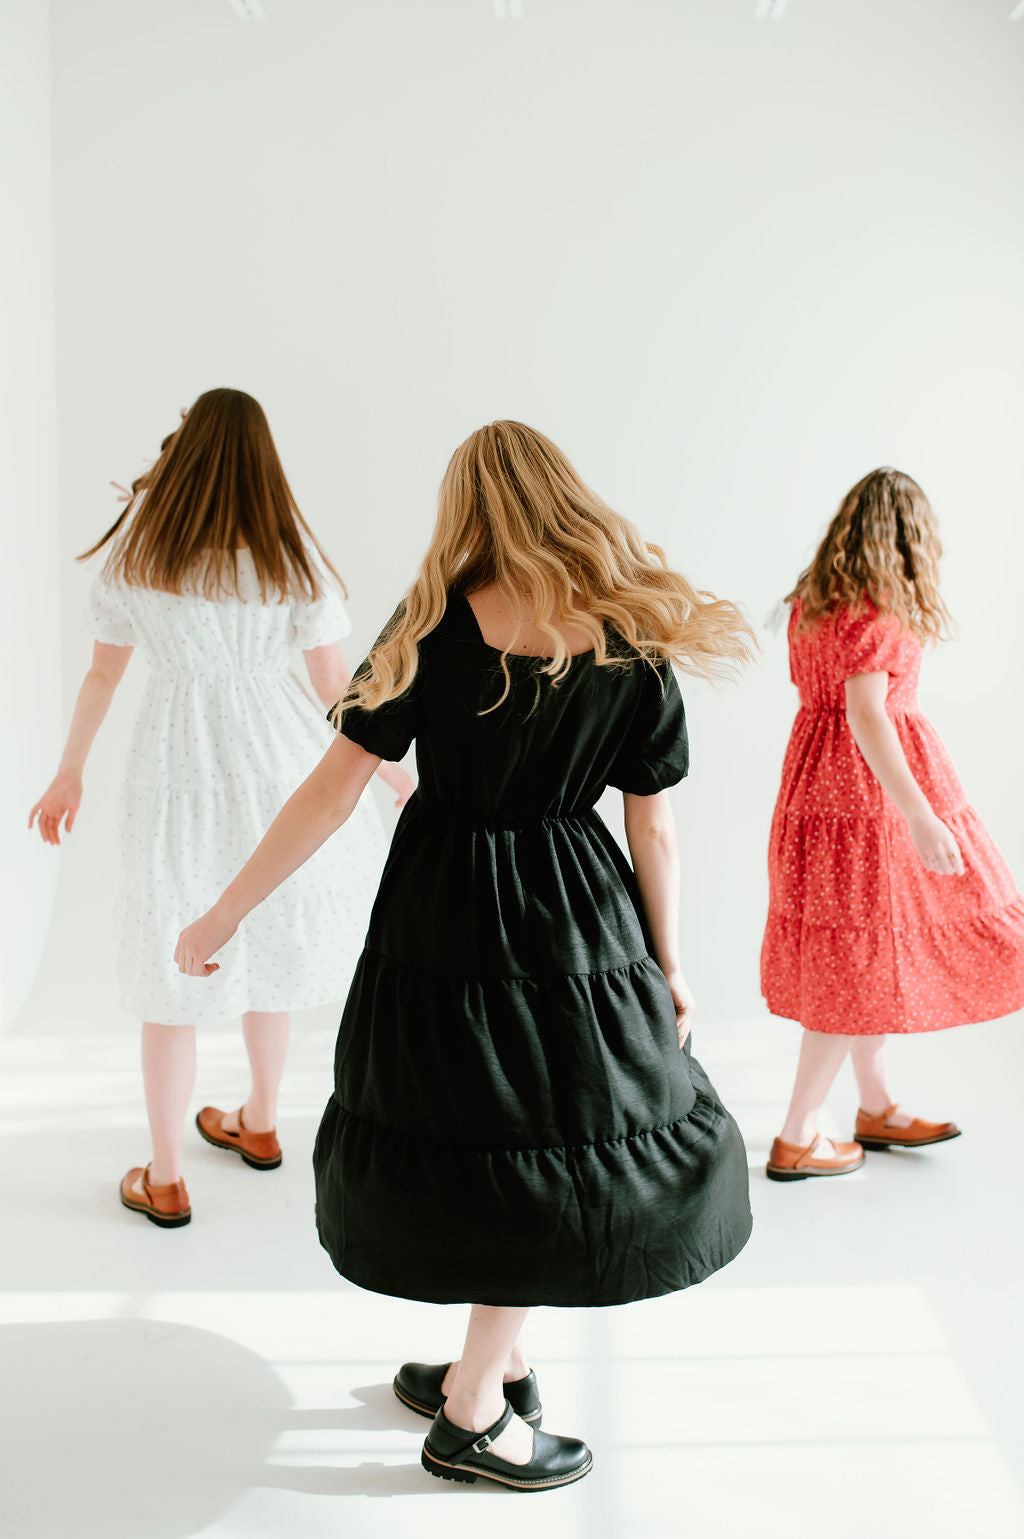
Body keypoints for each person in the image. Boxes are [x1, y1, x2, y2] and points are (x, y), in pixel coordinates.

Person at [175, 420, 754, 1490]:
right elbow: (653, 827)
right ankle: (477, 1407)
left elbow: (332, 788)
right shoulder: (626, 632)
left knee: (486, 1126)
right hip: (575, 912)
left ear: (472, 508)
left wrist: (225, 913)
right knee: (563, 1135)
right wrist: (670, 963)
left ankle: (488, 1363)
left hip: (442, 905)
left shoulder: (435, 620)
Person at [30, 387, 411, 1227]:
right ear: (261, 461)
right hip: (278, 759)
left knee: (177, 953)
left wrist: (70, 771)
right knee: (263, 929)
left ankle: (166, 1175)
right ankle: (262, 1121)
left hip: (176, 762)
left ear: (188, 452)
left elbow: (102, 673)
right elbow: (331, 686)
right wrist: (389, 771)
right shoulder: (289, 553)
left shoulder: (143, 550)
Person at [761, 467, 1024, 1181]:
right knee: (856, 963)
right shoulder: (879, 607)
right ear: (909, 537)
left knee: (864, 951)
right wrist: (921, 814)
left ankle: (875, 1105)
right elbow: (867, 713)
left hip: (818, 788)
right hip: (868, 797)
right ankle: (797, 1134)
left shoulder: (809, 602)